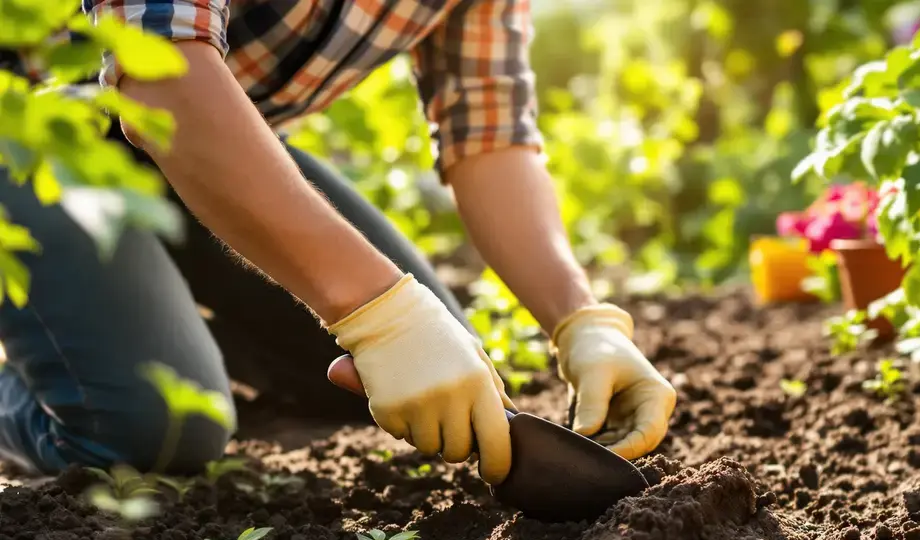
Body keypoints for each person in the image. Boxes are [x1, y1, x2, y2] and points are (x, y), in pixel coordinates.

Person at [0, 0, 677, 486]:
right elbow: (163, 76)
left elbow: (490, 134)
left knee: (403, 377)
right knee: (145, 432)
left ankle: (132, 327)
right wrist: (376, 310)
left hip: (176, 146)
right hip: (26, 128)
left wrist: (581, 320)